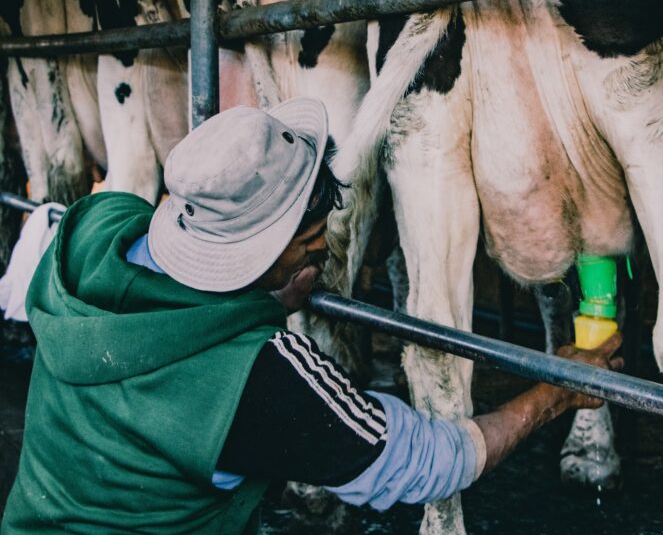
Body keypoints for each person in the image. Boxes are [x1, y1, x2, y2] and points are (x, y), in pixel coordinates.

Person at [1, 99, 623, 533]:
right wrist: (556, 391)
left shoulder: (90, 234)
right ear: (264, 255)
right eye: (310, 245)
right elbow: (431, 461)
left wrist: (259, 273)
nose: (323, 257)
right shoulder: (260, 379)